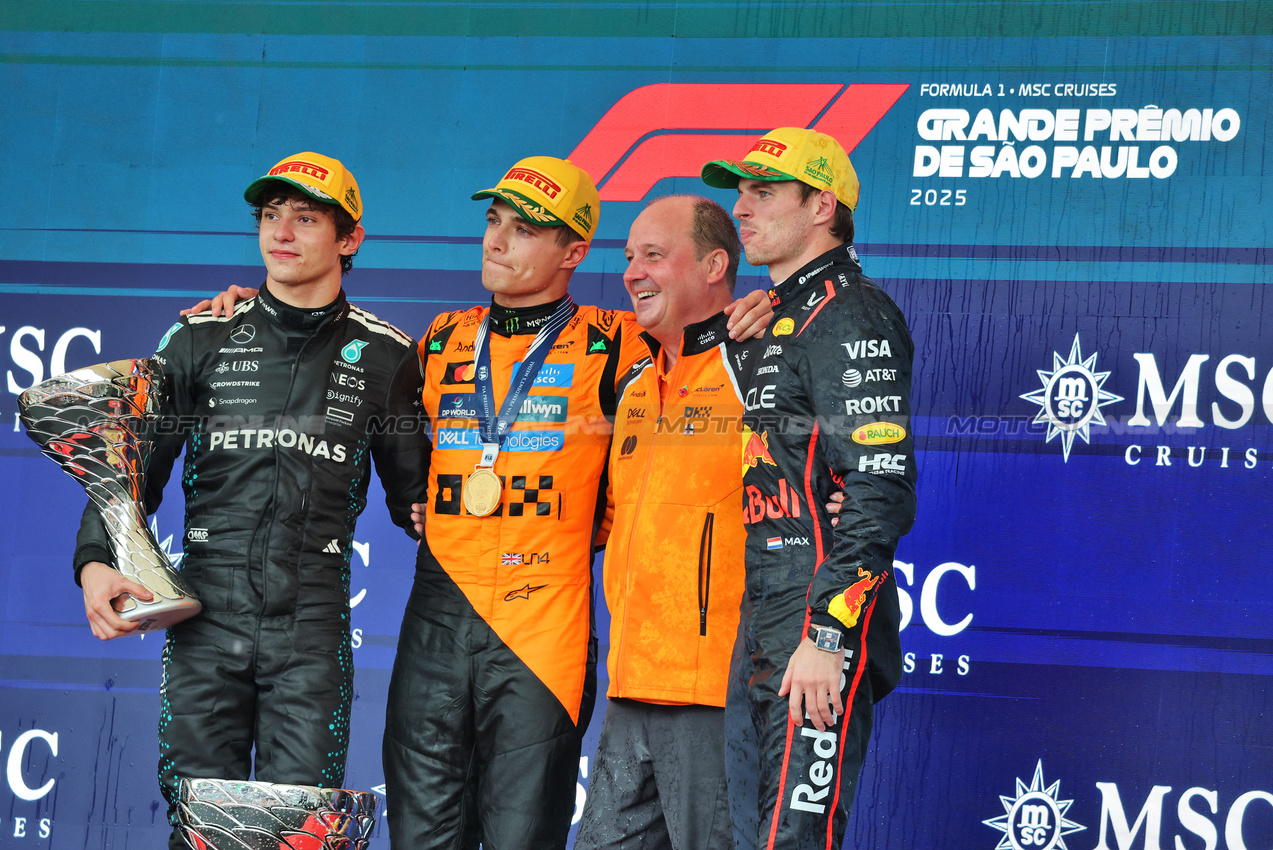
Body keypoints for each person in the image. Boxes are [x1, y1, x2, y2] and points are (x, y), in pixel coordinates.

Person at [73, 151, 430, 849]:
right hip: (206, 610)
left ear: (349, 239)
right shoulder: (199, 334)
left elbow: (415, 502)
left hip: (314, 621)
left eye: (305, 218)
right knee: (198, 829)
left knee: (298, 833)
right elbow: (130, 469)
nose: (282, 233)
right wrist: (93, 561)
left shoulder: (387, 355)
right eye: (271, 216)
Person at [700, 128, 918, 850]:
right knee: (754, 836)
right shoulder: (775, 318)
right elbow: (795, 464)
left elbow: (879, 485)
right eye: (739, 193)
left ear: (821, 204)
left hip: (815, 619)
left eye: (763, 193)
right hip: (764, 611)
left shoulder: (852, 313)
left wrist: (829, 632)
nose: (742, 208)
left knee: (792, 840)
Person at [573, 195, 749, 850]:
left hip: (714, 696)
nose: (631, 272)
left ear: (713, 265)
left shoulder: (756, 366)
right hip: (630, 686)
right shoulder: (635, 385)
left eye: (652, 255)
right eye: (627, 258)